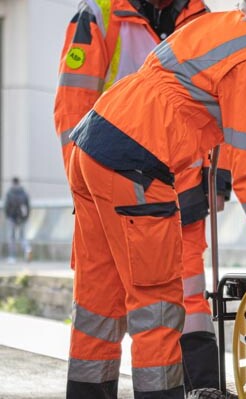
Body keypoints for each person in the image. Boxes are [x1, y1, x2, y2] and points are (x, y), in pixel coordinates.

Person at [65, 0, 246, 397]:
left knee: (99, 302)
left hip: (93, 143)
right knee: (157, 307)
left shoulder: (228, 25)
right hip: (138, 160)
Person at [53, 0, 233, 395]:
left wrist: (219, 176)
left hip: (182, 178)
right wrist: (85, 189)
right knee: (109, 298)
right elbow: (73, 104)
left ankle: (202, 385)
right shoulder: (100, 13)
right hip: (121, 171)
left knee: (184, 293)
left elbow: (228, 106)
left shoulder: (201, 17)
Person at [3, 177, 32, 263]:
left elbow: (6, 207)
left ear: (12, 183)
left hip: (12, 218)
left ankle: (12, 257)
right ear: (19, 183)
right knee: (22, 237)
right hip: (22, 218)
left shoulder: (9, 193)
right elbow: (28, 206)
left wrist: (8, 216)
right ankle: (27, 249)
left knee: (12, 237)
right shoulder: (24, 193)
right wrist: (26, 217)